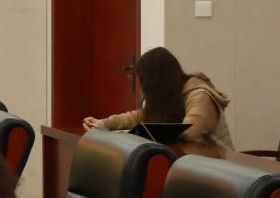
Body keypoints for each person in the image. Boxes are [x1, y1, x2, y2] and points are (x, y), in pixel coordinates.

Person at [84, 47, 234, 148]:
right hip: (191, 163)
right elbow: (140, 116)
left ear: (156, 82)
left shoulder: (200, 96)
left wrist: (142, 132)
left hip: (220, 169)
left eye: (144, 82)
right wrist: (104, 123)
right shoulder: (171, 94)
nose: (143, 89)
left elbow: (187, 132)